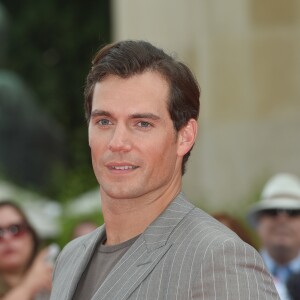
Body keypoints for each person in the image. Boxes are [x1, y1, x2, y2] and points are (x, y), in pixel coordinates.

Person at [50, 40, 279, 299]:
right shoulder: (70, 258)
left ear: (185, 136)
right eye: (104, 121)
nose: (117, 143)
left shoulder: (218, 258)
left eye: (142, 124)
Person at [247, 173, 300, 300]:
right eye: (272, 211)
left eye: (293, 212)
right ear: (258, 223)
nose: (282, 219)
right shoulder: (240, 271)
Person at [0, 200, 54, 300]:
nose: (7, 237)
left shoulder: (56, 275)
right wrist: (30, 284)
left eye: (15, 229)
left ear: (31, 236)